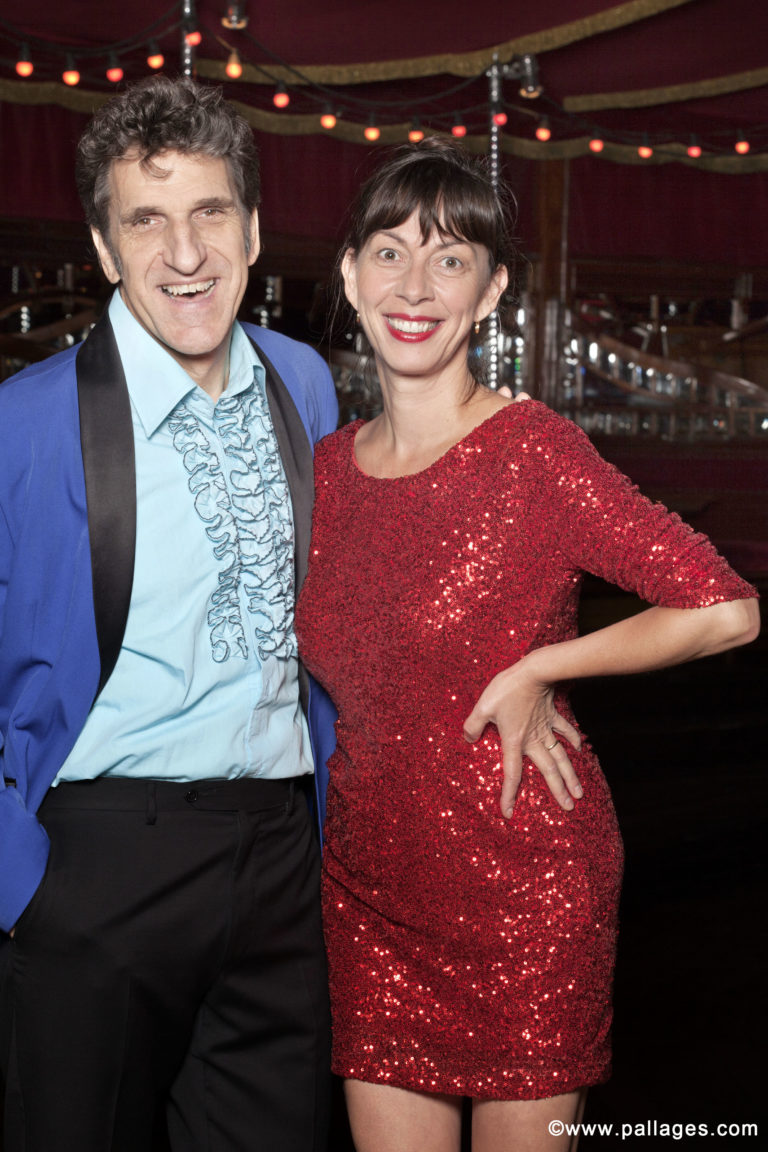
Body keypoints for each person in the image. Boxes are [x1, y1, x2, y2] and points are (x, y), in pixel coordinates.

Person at [294, 139, 760, 1152]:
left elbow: (726, 608)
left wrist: (543, 666)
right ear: (351, 275)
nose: (416, 287)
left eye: (451, 259)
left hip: (527, 892)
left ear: (492, 291)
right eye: (390, 253)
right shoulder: (321, 473)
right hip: (371, 898)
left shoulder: (533, 454)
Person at [0, 76, 338, 1152]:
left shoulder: (303, 382)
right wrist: (21, 882)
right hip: (97, 861)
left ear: (252, 230)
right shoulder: (21, 423)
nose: (185, 252)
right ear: (105, 249)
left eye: (209, 213)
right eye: (146, 220)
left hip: (282, 855)